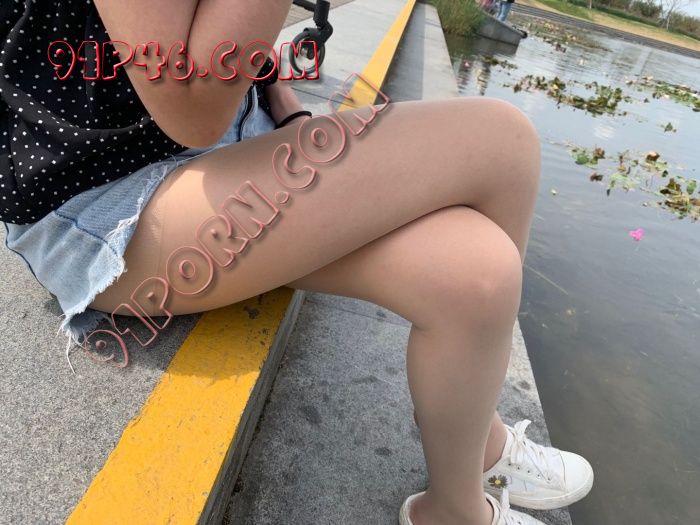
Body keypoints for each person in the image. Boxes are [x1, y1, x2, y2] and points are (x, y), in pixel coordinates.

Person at [0, 1, 593, 524]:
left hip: (222, 149)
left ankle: (467, 455)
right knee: (503, 142)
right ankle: (463, 510)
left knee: (479, 274)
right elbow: (192, 102)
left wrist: (284, 107)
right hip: (107, 202)